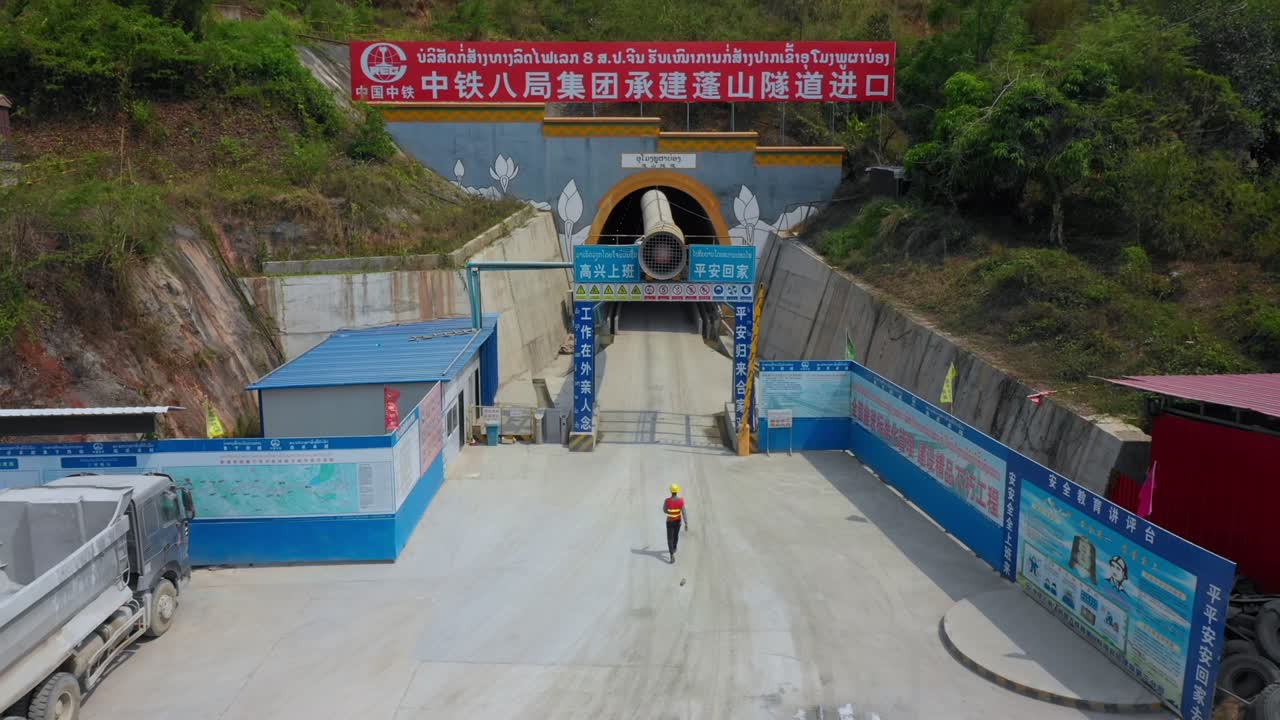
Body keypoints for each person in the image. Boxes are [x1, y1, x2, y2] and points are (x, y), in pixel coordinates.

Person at [663, 484, 689, 564]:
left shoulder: (667, 501)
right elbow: (684, 512)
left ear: (671, 491)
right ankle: (674, 548)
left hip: (669, 522)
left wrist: (670, 510)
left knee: (669, 538)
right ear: (677, 491)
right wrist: (686, 523)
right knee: (675, 536)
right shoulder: (681, 501)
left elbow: (664, 510)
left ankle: (671, 555)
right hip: (678, 522)